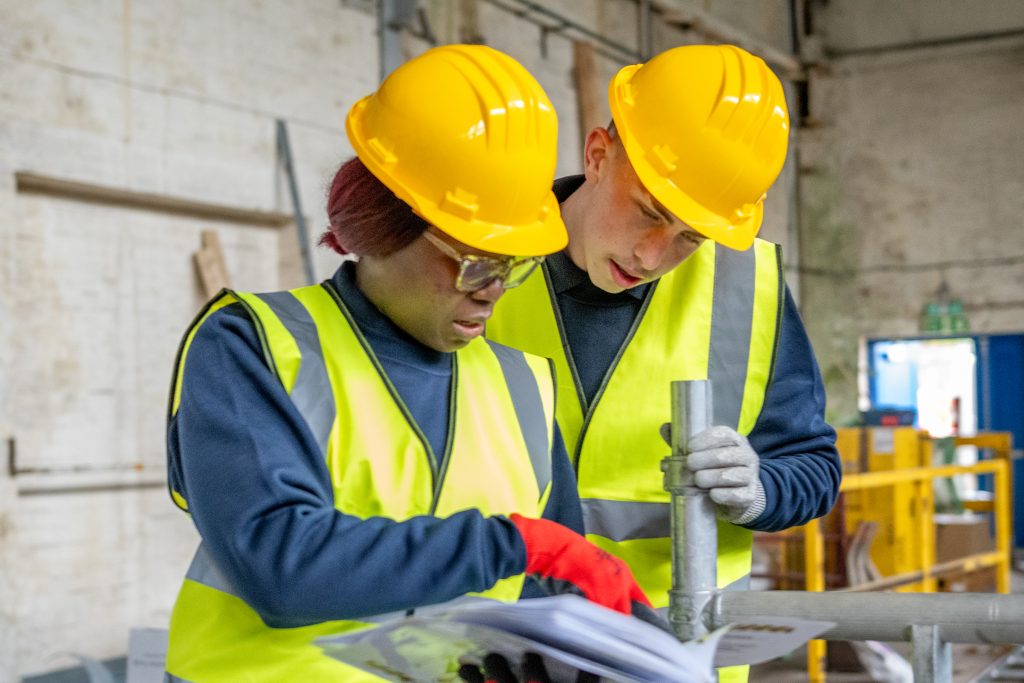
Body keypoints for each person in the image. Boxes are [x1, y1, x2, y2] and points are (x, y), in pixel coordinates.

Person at [162, 44, 650, 683]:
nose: (493, 289)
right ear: (381, 227)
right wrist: (514, 544)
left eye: (512, 265)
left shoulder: (525, 388)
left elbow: (547, 597)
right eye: (474, 259)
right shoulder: (254, 346)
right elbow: (282, 565)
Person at [486, 44, 842, 680]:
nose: (652, 255)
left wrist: (761, 489)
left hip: (672, 655)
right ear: (598, 155)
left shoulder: (747, 288)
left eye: (690, 236)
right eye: (648, 213)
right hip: (496, 649)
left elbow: (814, 468)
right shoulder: (481, 255)